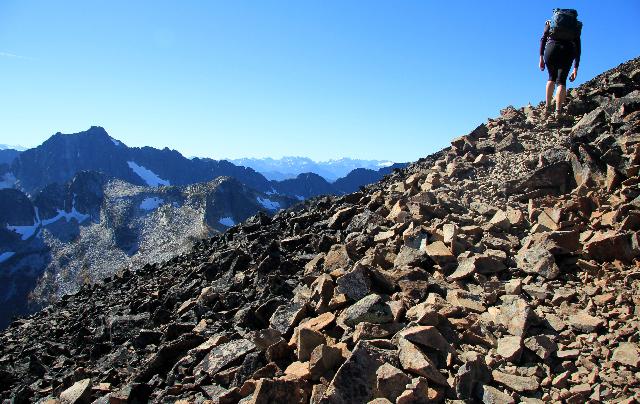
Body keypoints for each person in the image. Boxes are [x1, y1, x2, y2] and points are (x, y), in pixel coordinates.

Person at [539, 10, 582, 119]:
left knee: (551, 78)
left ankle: (547, 108)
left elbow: (543, 39)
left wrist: (541, 58)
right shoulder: (575, 26)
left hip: (551, 49)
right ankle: (558, 112)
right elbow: (578, 47)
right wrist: (576, 67)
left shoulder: (550, 23)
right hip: (567, 50)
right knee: (561, 81)